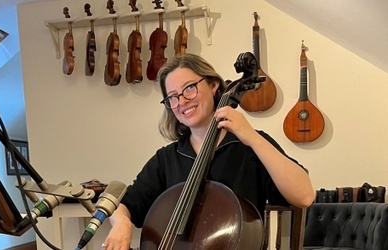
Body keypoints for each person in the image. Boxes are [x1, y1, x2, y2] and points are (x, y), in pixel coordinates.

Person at [103, 53, 314, 249]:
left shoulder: (248, 147)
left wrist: (252, 138)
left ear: (213, 86)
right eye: (172, 97)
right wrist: (121, 222)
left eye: (189, 88)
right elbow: (125, 203)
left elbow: (304, 196)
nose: (182, 101)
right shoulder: (167, 158)